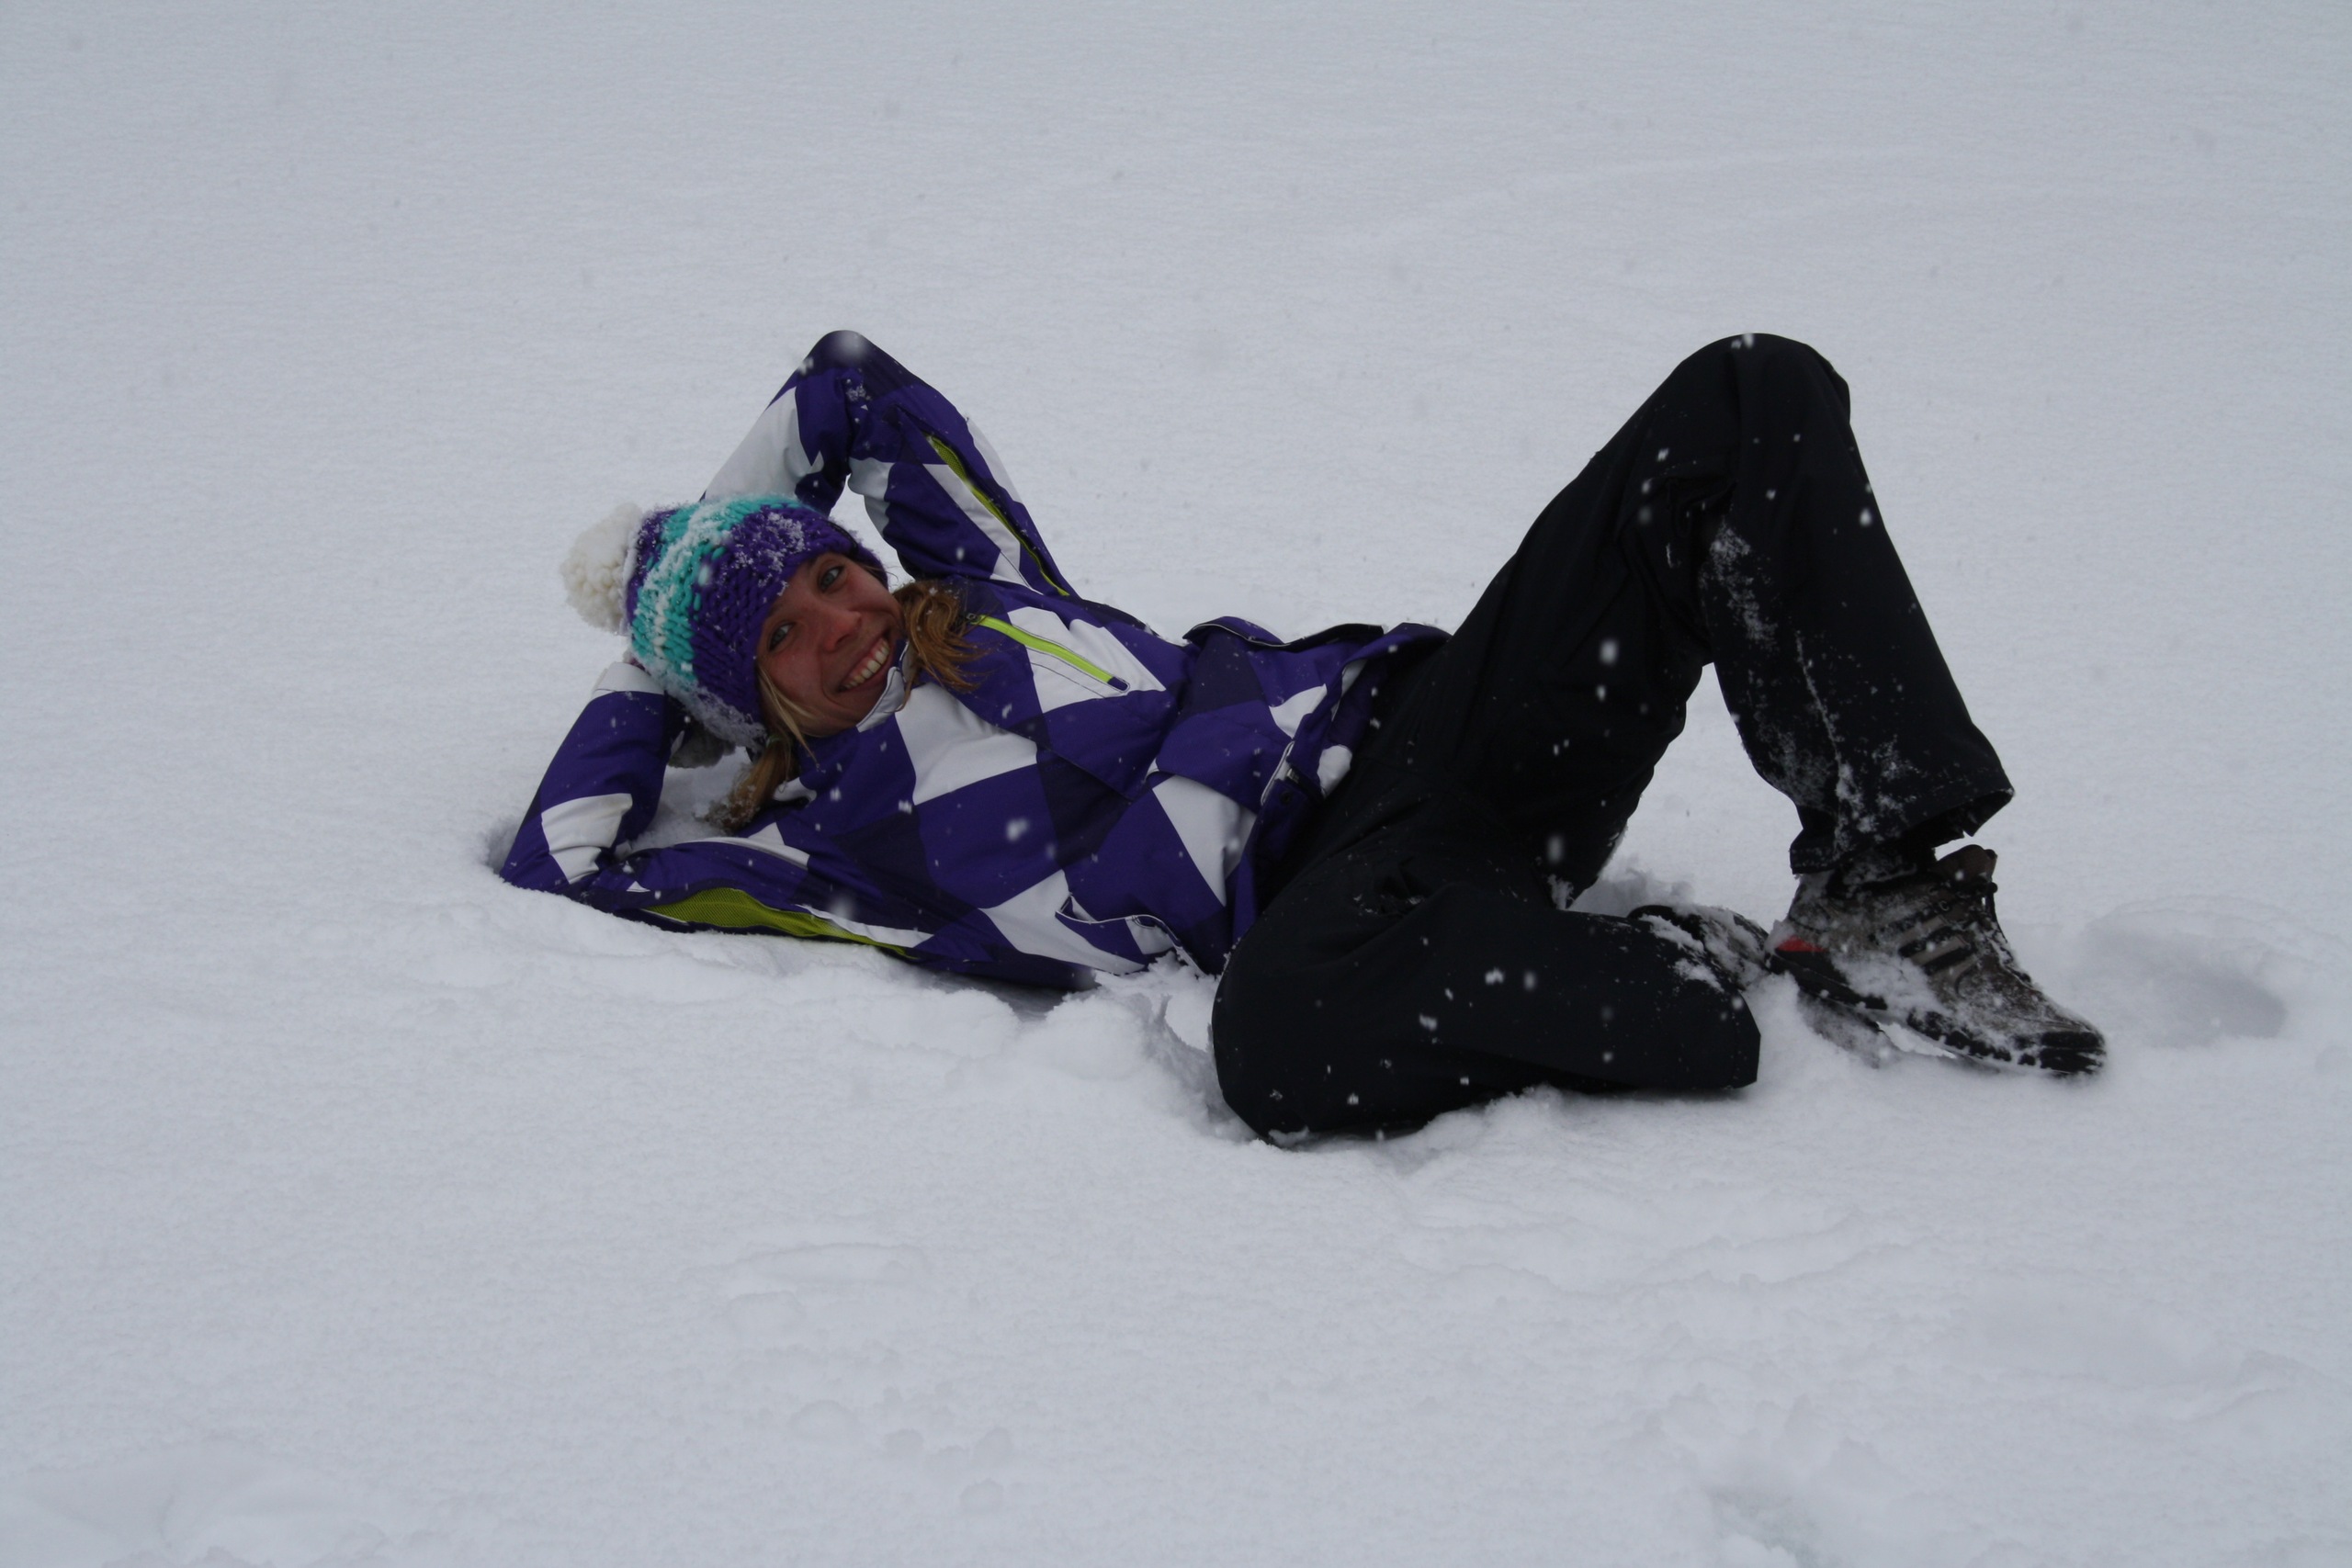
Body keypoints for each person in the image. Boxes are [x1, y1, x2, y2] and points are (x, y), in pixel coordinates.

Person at [501, 330, 2103, 1139]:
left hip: (1439, 730)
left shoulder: (982, 587)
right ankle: (1690, 978)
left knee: (1745, 394)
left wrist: (713, 550)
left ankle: (1889, 886)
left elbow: (847, 381)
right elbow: (560, 854)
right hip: (1354, 904)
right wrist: (661, 645)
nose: (841, 623)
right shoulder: (819, 854)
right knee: (1273, 1044)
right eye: (784, 639)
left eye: (830, 577)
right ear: (750, 702)